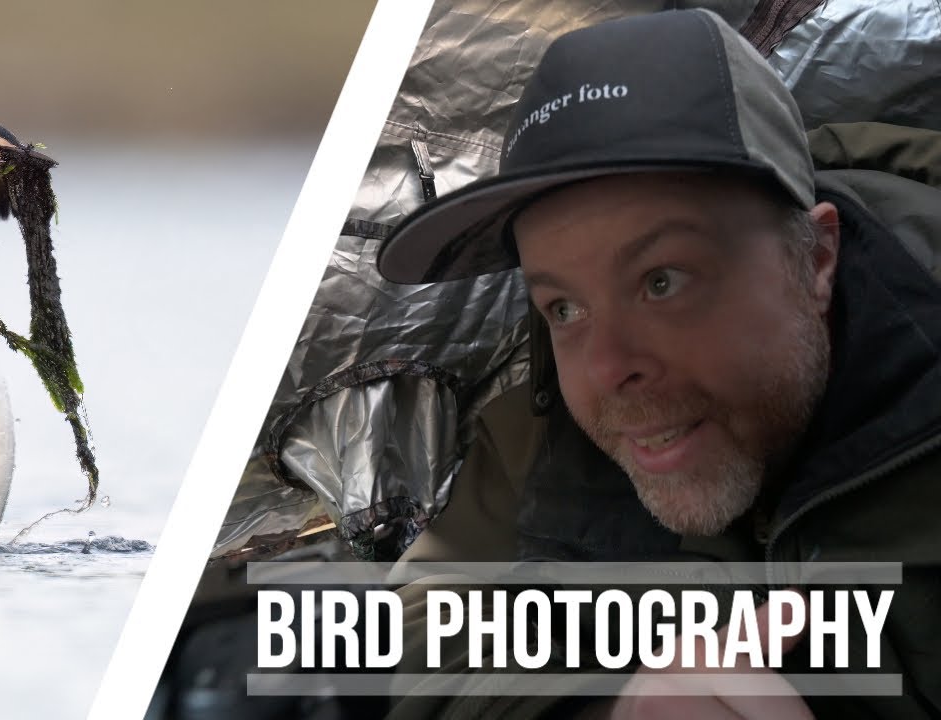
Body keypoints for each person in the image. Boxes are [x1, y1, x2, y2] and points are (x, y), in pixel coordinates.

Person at [375, 9, 941, 719]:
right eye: (564, 308)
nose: (607, 368)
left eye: (662, 281)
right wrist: (607, 705)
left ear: (817, 259)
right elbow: (425, 644)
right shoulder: (538, 430)